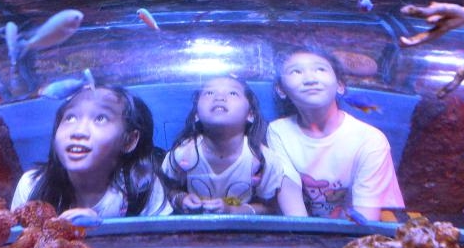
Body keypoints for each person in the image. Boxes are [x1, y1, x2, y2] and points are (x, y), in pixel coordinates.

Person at [268, 46, 404, 220]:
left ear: (340, 85)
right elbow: (293, 209)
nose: (310, 79)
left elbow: (364, 219)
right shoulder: (278, 131)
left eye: (320, 69)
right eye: (296, 72)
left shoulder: (371, 140)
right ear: (281, 90)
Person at [10, 84, 171, 222]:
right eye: (70, 117)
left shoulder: (143, 187)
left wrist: (99, 234)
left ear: (129, 140)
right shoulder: (31, 185)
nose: (79, 131)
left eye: (100, 118)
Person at [162, 76, 306, 216]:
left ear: (250, 114)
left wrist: (233, 211)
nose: (219, 97)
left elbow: (270, 207)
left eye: (232, 93)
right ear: (196, 115)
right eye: (209, 93)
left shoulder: (263, 161)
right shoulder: (182, 154)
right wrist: (180, 199)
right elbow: (165, 189)